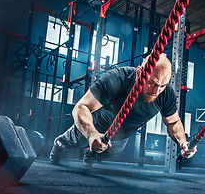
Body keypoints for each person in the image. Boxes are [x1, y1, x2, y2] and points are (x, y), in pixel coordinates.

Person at [49, 54, 197, 165]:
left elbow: (173, 122)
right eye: (152, 83)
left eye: (163, 85)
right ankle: (59, 143)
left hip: (122, 135)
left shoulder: (166, 93)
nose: (157, 90)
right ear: (140, 72)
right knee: (74, 141)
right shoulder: (119, 78)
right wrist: (91, 134)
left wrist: (183, 143)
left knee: (112, 150)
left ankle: (91, 152)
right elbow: (81, 107)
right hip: (98, 124)